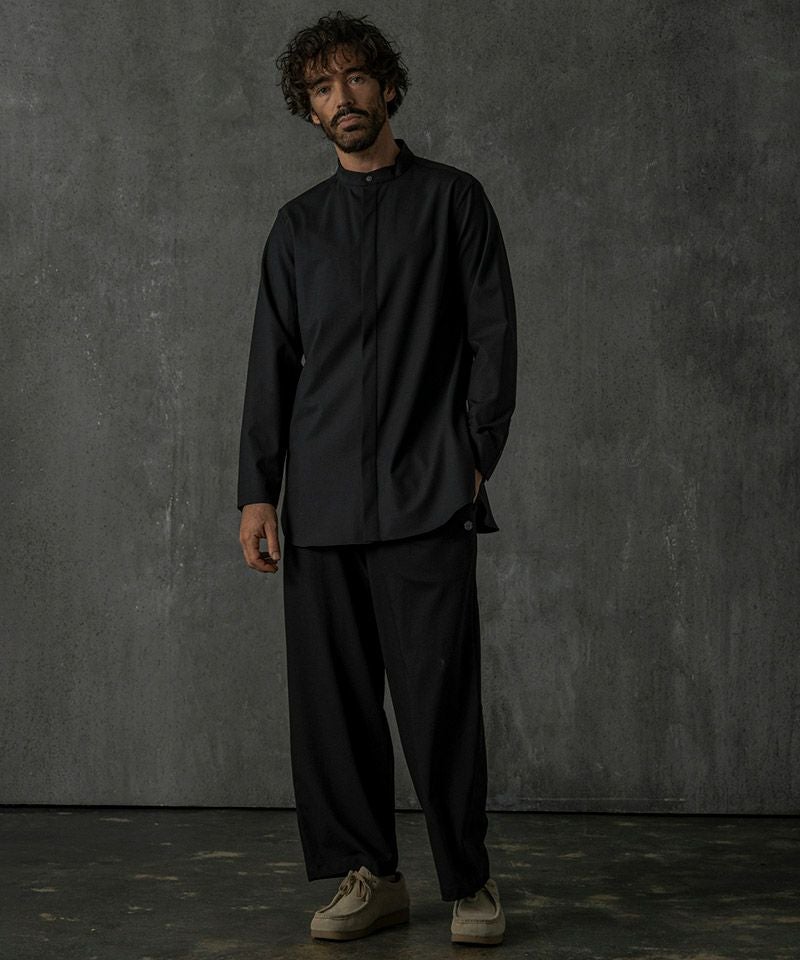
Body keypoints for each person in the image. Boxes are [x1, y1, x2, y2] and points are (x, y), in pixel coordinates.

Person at [237, 9, 516, 946]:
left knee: (439, 702)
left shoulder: (454, 202)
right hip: (319, 504)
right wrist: (257, 491)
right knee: (334, 705)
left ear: (387, 87)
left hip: (426, 492)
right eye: (321, 88)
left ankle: (469, 882)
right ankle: (372, 876)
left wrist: (473, 458)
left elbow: (492, 338)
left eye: (355, 78)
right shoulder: (297, 227)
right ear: (309, 110)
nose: (342, 98)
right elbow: (272, 365)